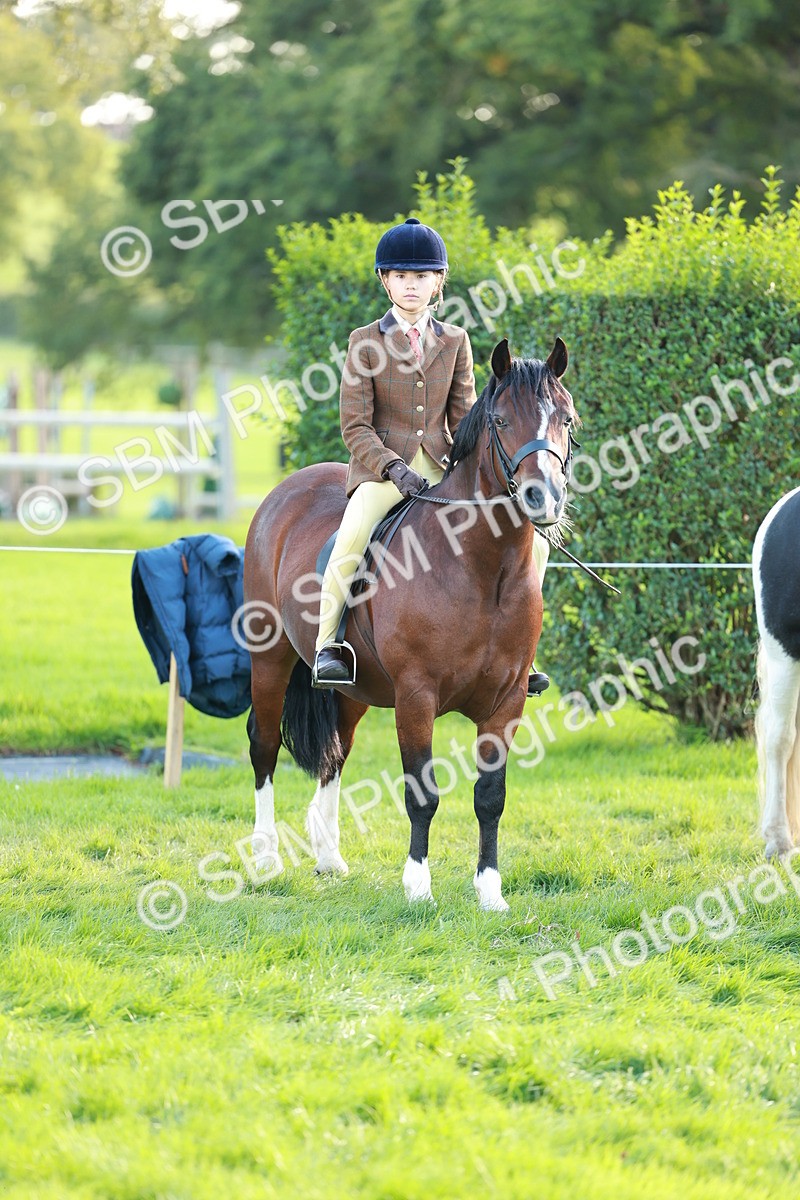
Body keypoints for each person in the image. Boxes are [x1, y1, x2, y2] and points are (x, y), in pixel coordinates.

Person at [312, 216, 551, 696]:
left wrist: (481, 467)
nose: (411, 286)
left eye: (421, 277)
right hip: (384, 470)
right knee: (354, 533)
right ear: (385, 281)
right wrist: (393, 468)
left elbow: (465, 418)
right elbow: (354, 425)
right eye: (401, 277)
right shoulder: (365, 341)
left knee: (535, 540)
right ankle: (328, 645)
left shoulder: (456, 340)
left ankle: (523, 653)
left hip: (443, 468)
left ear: (439, 282)